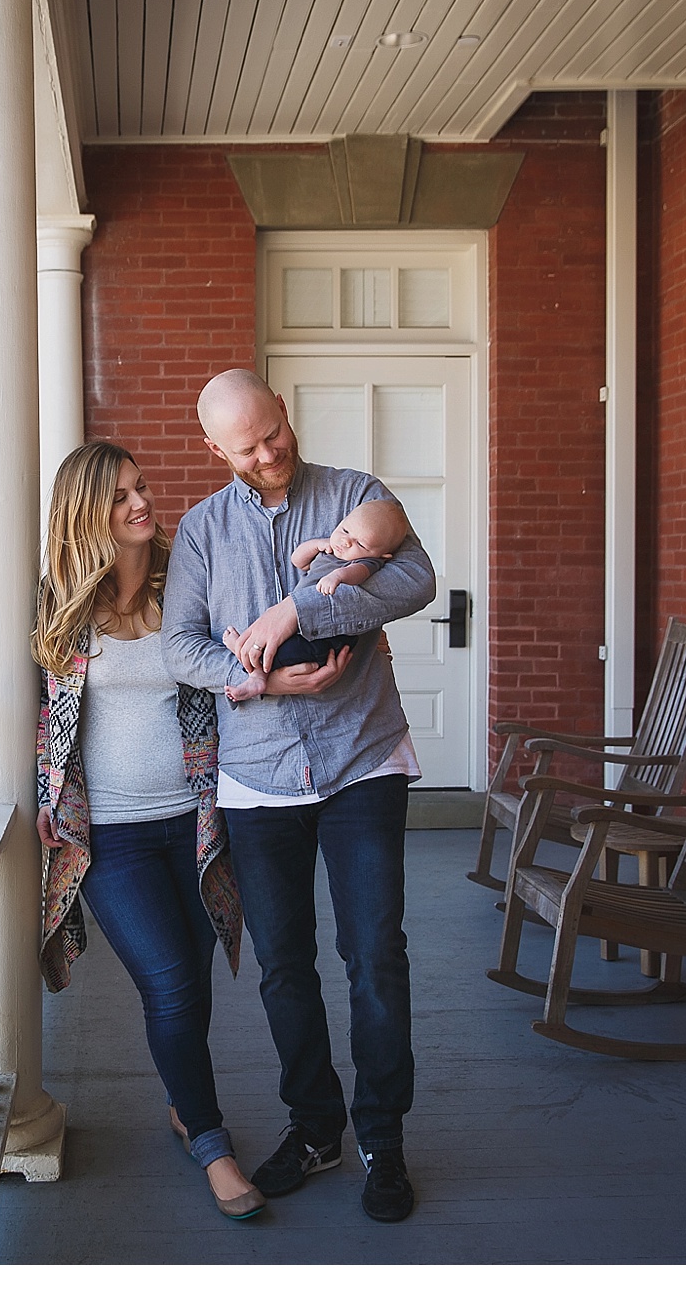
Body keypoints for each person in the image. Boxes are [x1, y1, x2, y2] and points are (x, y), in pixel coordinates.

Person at [163, 368, 436, 1224]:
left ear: (284, 409)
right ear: (216, 450)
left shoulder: (356, 493)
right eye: (245, 448)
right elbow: (182, 646)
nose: (267, 454)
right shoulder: (203, 530)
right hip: (259, 772)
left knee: (375, 957)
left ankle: (382, 1141)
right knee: (284, 967)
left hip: (362, 758)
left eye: (272, 434)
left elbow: (414, 583)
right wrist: (262, 688)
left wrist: (296, 611)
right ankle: (315, 1127)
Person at [34, 441, 262, 1220]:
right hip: (113, 837)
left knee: (191, 984)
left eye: (142, 487)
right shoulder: (57, 603)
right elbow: (43, 717)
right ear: (87, 511)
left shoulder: (185, 583)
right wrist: (42, 792)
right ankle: (212, 1142)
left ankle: (182, 1101)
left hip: (197, 821)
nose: (142, 502)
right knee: (167, 980)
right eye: (122, 494)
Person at [220, 498, 412, 703]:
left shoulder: (366, 561)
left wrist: (337, 576)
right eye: (345, 530)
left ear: (383, 554)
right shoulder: (331, 550)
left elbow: (357, 574)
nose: (346, 541)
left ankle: (252, 669)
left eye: (360, 543)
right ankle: (252, 665)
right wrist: (317, 545)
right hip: (300, 624)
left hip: (328, 635)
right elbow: (298, 561)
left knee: (290, 650)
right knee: (271, 634)